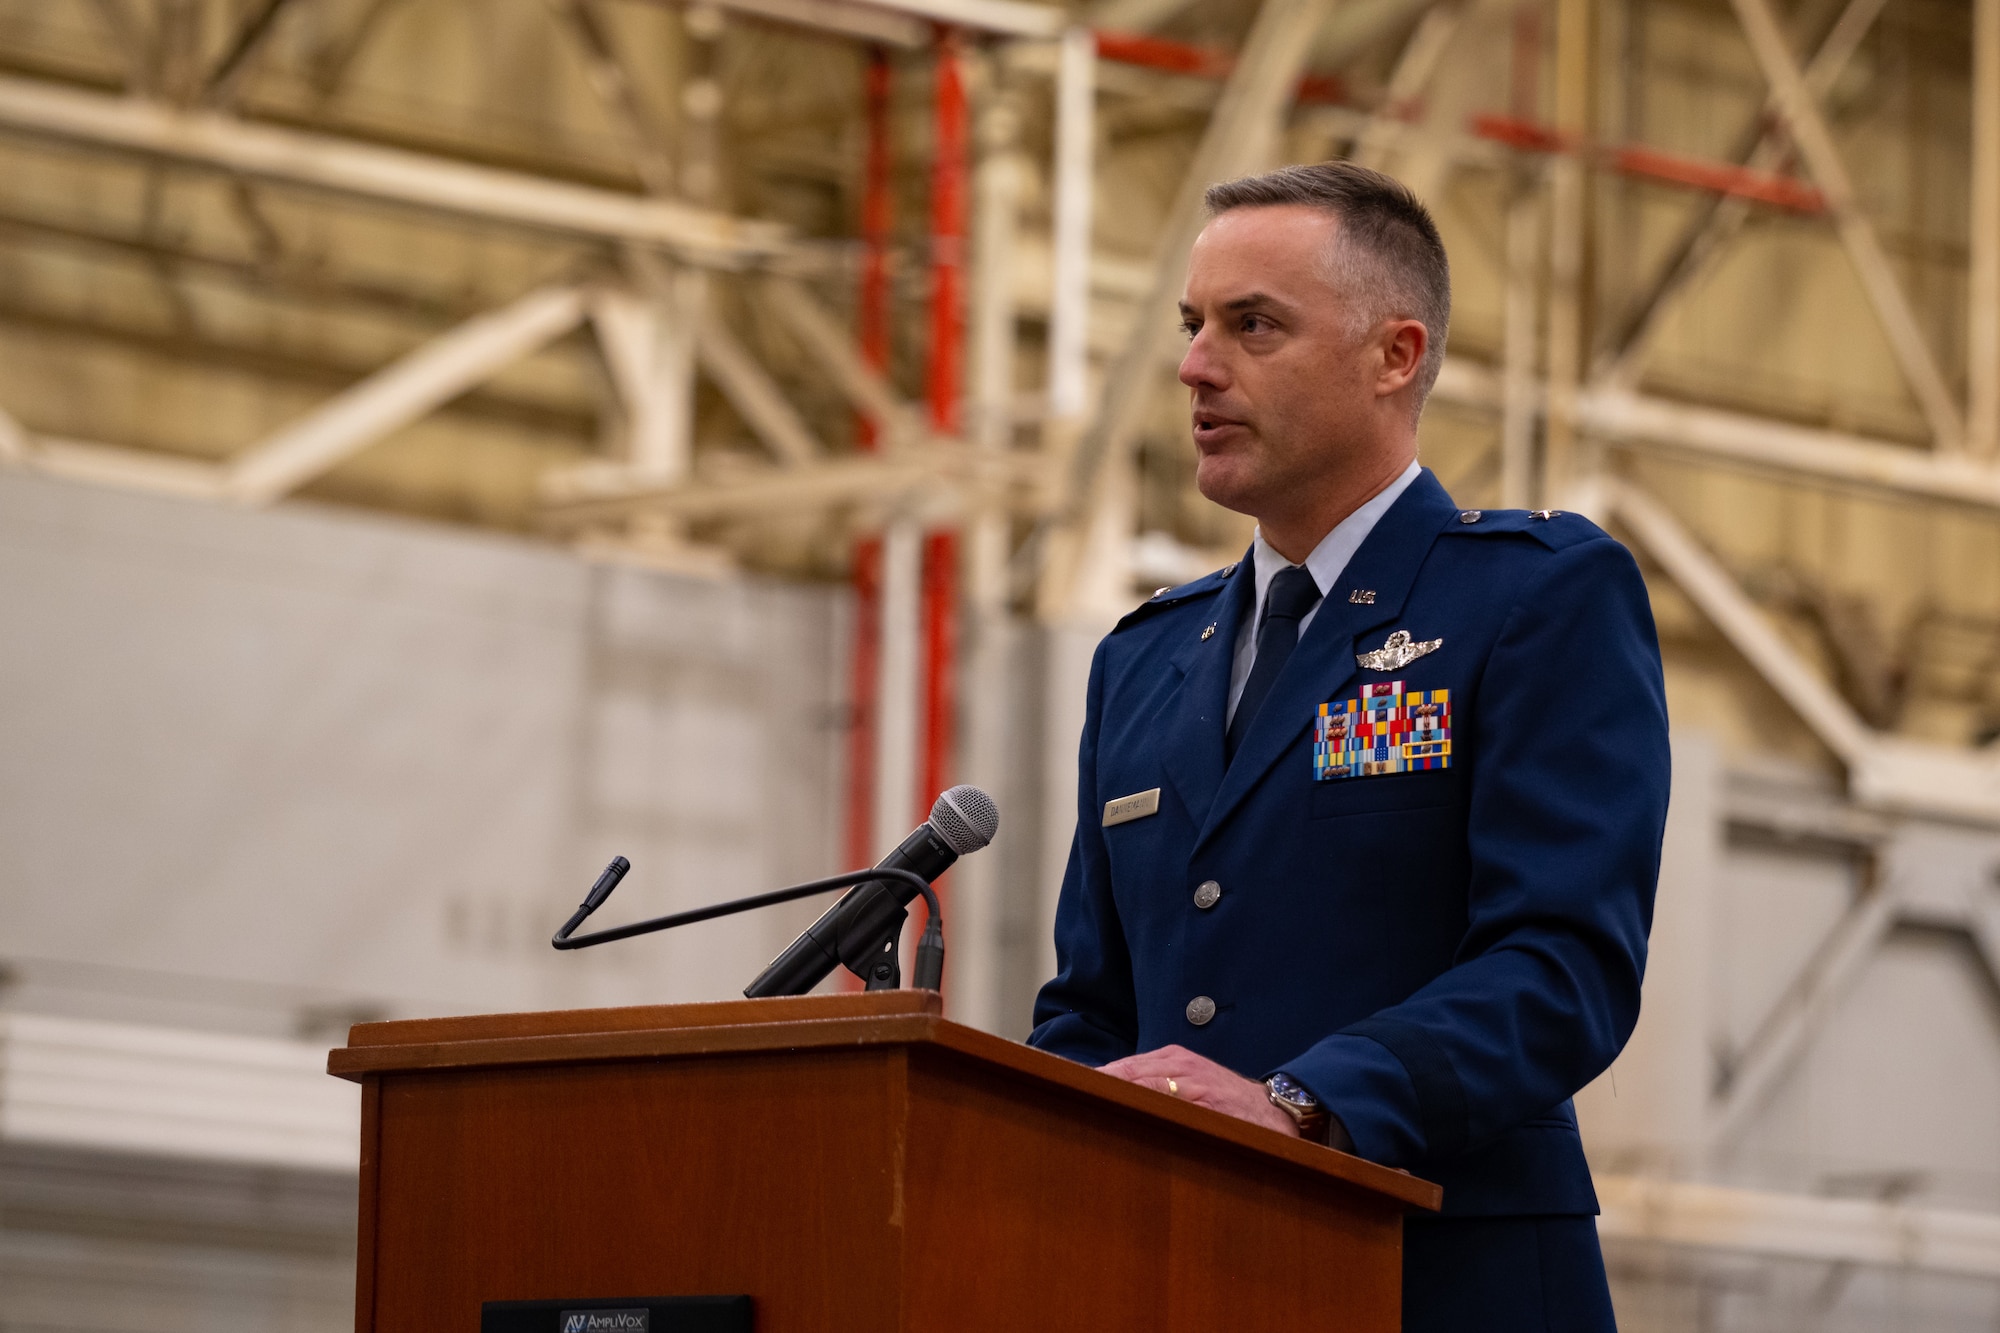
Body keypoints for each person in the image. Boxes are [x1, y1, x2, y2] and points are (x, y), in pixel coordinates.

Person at [1026, 161, 1669, 1332]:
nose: (1193, 366)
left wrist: (1302, 1103)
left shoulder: (1534, 598)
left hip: (1437, 1275)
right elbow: (1089, 1010)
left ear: (1394, 354)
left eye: (1251, 325)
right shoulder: (1144, 659)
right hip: (1167, 1275)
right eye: (1191, 325)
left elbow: (1561, 964)